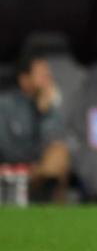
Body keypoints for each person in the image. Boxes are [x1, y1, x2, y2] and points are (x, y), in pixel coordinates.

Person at [0, 50, 71, 203]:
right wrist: (29, 165)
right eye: (42, 75)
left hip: (38, 175)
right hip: (9, 173)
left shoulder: (50, 109)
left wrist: (46, 114)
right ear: (24, 80)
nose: (48, 79)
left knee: (60, 153)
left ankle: (56, 216)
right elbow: (6, 148)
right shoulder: (5, 105)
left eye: (48, 74)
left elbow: (55, 143)